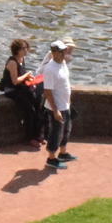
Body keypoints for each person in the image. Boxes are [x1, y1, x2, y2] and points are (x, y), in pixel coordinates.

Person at [0, 38, 46, 144]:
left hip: (21, 88)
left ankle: (38, 135)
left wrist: (29, 78)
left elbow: (22, 77)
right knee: (29, 110)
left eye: (26, 48)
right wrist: (27, 75)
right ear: (17, 50)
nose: (26, 50)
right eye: (23, 48)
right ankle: (30, 138)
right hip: (12, 90)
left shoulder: (22, 59)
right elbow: (15, 81)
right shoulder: (12, 62)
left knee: (38, 105)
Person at [39, 38, 76, 171]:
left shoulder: (63, 63)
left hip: (65, 104)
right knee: (56, 132)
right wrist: (55, 110)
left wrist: (69, 101)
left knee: (67, 130)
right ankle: (51, 158)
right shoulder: (50, 69)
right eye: (58, 51)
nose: (61, 53)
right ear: (53, 53)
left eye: (62, 50)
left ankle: (63, 152)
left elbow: (65, 83)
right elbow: (47, 91)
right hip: (57, 107)